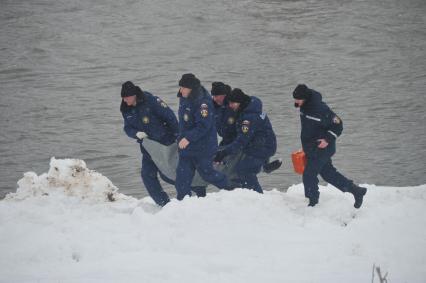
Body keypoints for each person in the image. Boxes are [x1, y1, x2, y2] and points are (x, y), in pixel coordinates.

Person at [292, 84, 367, 208]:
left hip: (322, 148)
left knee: (309, 175)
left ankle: (313, 203)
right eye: (294, 99)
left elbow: (338, 125)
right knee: (328, 174)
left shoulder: (321, 109)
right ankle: (357, 191)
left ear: (305, 98)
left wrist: (327, 139)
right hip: (312, 148)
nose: (295, 102)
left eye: (297, 99)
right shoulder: (304, 106)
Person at [120, 81, 179, 206]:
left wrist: (178, 138)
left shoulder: (151, 101)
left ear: (133, 95)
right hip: (149, 147)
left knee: (171, 174)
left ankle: (187, 199)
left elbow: (170, 118)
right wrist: (136, 134)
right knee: (147, 175)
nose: (124, 101)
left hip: (166, 144)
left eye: (126, 98)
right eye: (123, 98)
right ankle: (164, 204)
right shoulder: (125, 108)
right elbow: (127, 128)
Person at [175, 74, 231, 200]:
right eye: (181, 87)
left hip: (203, 147)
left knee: (207, 174)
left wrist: (188, 138)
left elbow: (203, 126)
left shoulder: (203, 103)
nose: (181, 90)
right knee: (182, 178)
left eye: (184, 87)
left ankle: (232, 190)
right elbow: (184, 122)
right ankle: (182, 205)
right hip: (187, 149)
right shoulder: (184, 97)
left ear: (191, 88)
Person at [214, 88, 277, 193]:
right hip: (258, 144)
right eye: (229, 103)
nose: (230, 105)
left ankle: (258, 196)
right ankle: (245, 190)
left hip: (262, 147)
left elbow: (241, 141)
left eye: (233, 103)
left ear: (240, 102)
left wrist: (223, 153)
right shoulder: (248, 107)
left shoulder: (248, 118)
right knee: (238, 167)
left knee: (243, 170)